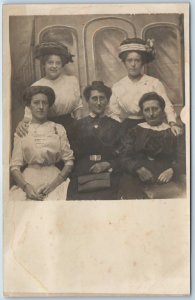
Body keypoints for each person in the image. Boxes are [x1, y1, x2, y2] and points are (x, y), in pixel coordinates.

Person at [10, 86, 74, 201]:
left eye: (44, 103)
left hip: (54, 180)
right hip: (29, 179)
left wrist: (54, 185)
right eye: (36, 103)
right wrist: (26, 187)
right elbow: (14, 167)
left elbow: (69, 161)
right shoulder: (22, 130)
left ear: (49, 106)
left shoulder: (58, 128)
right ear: (29, 106)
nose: (40, 107)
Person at [107, 38, 182, 136]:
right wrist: (119, 126)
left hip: (151, 125)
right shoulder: (118, 86)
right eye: (129, 60)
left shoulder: (154, 83)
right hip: (127, 128)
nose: (133, 64)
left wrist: (172, 123)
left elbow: (167, 106)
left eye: (137, 60)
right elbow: (112, 112)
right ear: (124, 62)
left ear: (142, 62)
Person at [118, 92, 185, 199]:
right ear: (142, 112)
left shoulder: (173, 132)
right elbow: (124, 157)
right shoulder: (134, 131)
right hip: (136, 178)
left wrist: (172, 170)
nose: (151, 114)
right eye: (147, 110)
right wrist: (138, 169)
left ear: (162, 111)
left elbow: (184, 158)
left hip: (166, 179)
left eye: (155, 109)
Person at [16, 41, 83, 141]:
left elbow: (77, 106)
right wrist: (22, 123)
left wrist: (79, 125)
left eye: (58, 63)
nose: (54, 66)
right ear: (44, 65)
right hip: (47, 128)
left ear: (62, 65)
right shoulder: (37, 86)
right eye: (50, 62)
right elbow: (29, 114)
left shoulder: (72, 81)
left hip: (71, 127)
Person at [67, 81, 121, 200]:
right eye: (94, 98)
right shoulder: (77, 126)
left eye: (102, 98)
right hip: (82, 173)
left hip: (108, 173)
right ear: (87, 101)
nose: (98, 102)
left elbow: (124, 153)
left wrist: (108, 164)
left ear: (107, 101)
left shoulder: (116, 126)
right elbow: (69, 154)